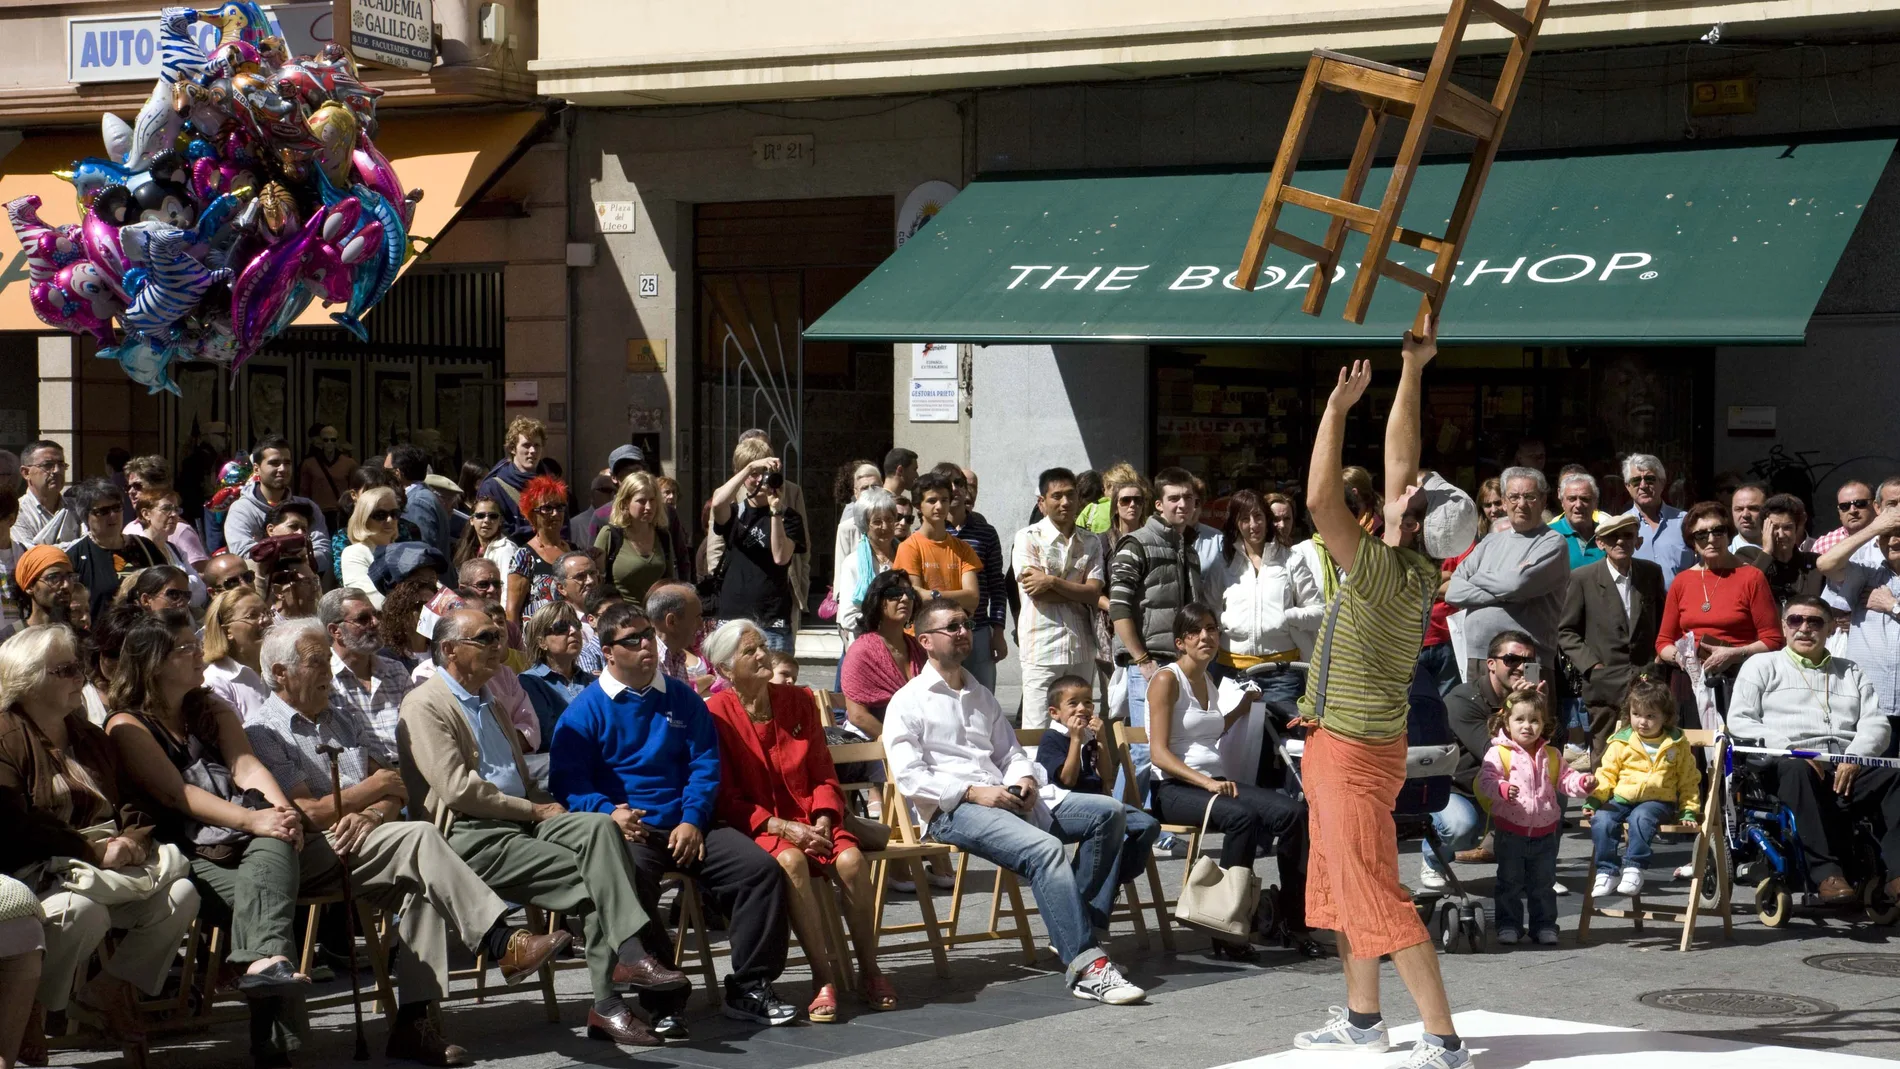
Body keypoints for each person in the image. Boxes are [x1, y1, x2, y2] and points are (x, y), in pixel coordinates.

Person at [242, 617, 567, 1065]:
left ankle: (415, 1024)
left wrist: (374, 812)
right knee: (421, 836)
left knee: (423, 885)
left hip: (371, 841)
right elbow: (310, 812)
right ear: (281, 673)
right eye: (317, 662)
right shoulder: (264, 731)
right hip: (311, 852)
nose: (327, 673)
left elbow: (396, 786)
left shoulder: (340, 715)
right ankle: (499, 940)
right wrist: (371, 792)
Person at [1290, 325, 1474, 1068]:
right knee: (1342, 884)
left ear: (1410, 521)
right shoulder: (1414, 560)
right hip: (1354, 745)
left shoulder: (1375, 567)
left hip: (1352, 754)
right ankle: (1364, 1020)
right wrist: (1410, 368)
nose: (1406, 486)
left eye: (1413, 496)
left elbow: (1316, 496)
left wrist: (1335, 410)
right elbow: (1403, 458)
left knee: (1379, 895)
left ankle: (1444, 1040)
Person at [399, 607, 688, 1049]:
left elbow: (520, 777)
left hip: (521, 817)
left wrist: (550, 807)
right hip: (471, 833)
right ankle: (609, 1003)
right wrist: (535, 812)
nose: (499, 646)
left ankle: (628, 961)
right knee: (603, 880)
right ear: (450, 650)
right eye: (486, 638)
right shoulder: (426, 703)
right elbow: (458, 790)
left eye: (499, 636)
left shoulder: (491, 701)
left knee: (600, 829)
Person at [884, 597, 1145, 1005]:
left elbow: (1011, 754)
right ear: (925, 641)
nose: (963, 632)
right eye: (952, 626)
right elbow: (909, 776)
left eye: (966, 624)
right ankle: (1086, 965)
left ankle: (1077, 933)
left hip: (1006, 798)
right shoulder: (908, 701)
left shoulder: (981, 695)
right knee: (1046, 849)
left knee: (1109, 813)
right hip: (954, 810)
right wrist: (972, 792)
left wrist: (1024, 781)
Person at [549, 603, 794, 1030]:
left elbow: (705, 765)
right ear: (608, 652)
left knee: (759, 870)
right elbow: (568, 785)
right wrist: (609, 813)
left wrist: (694, 819)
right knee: (627, 883)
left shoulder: (681, 697)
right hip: (630, 832)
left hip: (688, 825)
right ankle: (664, 999)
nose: (646, 644)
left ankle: (750, 987)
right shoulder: (584, 711)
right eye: (632, 639)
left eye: (647, 634)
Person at [104, 611, 317, 1067]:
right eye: (185, 648)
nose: (199, 652)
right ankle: (276, 1048)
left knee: (268, 872)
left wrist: (280, 813)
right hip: (187, 848)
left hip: (245, 833)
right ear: (154, 662)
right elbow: (177, 794)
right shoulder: (126, 724)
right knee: (261, 901)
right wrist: (256, 820)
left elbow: (247, 766)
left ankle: (263, 977)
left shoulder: (209, 706)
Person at [0, 625, 201, 1061]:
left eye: (82, 667)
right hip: (40, 869)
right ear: (29, 678)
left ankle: (107, 990)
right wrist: (92, 851)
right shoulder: (4, 735)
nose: (82, 678)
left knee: (182, 893)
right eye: (68, 669)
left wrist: (132, 839)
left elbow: (129, 802)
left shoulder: (88, 735)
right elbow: (14, 824)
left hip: (109, 864)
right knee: (82, 912)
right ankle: (31, 1006)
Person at [702, 619, 894, 1020]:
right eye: (749, 651)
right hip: (760, 824)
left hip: (811, 812)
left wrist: (825, 814)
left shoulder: (798, 699)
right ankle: (822, 976)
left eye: (762, 647)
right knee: (789, 862)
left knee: (852, 860)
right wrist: (779, 826)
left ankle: (870, 970)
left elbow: (822, 770)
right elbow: (725, 796)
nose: (762, 655)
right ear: (723, 669)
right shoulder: (716, 714)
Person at [1146, 605, 1308, 959]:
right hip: (1174, 790)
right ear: (1180, 643)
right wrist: (1205, 783)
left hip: (1215, 785)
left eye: (1211, 629)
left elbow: (1212, 730)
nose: (1206, 636)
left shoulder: (1208, 681)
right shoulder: (1166, 680)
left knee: (1294, 812)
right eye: (1195, 632)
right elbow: (1158, 754)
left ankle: (1296, 920)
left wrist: (1244, 707)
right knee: (1241, 817)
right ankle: (1225, 925)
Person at [1728, 596, 1898, 905]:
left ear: (1831, 628)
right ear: (1784, 626)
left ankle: (1897, 875)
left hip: (1846, 765)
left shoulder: (1851, 671)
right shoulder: (1762, 665)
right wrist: (1791, 749)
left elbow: (1877, 724)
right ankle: (1827, 875)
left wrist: (1854, 756)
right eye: (1796, 620)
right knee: (1797, 769)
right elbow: (1740, 720)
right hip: (1788, 765)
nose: (1804, 628)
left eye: (1815, 622)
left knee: (1896, 773)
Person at [1107, 466, 1205, 810]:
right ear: (1159, 505)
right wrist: (1141, 660)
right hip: (1149, 663)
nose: (1182, 505)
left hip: (1179, 663)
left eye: (1188, 498)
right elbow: (1118, 608)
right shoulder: (1136, 544)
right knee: (1143, 746)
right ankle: (1124, 819)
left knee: (1165, 745)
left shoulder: (1187, 547)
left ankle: (1141, 819)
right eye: (1174, 498)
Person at [1477, 688, 1594, 945]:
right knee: (1509, 883)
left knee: (1544, 884)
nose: (1527, 726)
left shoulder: (1551, 755)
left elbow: (1565, 779)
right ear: (1506, 722)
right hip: (1510, 831)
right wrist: (1502, 789)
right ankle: (1508, 925)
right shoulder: (1499, 753)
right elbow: (1486, 780)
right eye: (1520, 719)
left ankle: (1544, 925)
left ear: (1544, 724)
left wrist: (1583, 783)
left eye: (1534, 720)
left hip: (1545, 832)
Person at [1031, 673, 1160, 890]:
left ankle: (1112, 878)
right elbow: (1067, 781)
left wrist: (1101, 739)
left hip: (1101, 803)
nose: (1082, 708)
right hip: (1067, 807)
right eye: (1073, 703)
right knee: (1108, 834)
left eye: (1088, 702)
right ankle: (1085, 890)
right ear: (1054, 713)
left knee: (1148, 825)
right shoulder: (1052, 739)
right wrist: (1075, 739)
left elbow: (1107, 777)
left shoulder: (1090, 737)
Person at [1655, 501, 1784, 716]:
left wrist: (1734, 653)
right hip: (1689, 683)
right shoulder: (1682, 581)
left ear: (1728, 533)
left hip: (1738, 680)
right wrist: (1680, 657)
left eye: (1718, 531)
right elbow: (1663, 641)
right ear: (1692, 542)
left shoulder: (1751, 577)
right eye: (1701, 535)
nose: (1711, 539)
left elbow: (1773, 640)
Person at [1557, 513, 1666, 760]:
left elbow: (1662, 621)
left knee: (1649, 752)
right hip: (1603, 683)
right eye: (1612, 537)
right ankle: (1602, 800)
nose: (1620, 542)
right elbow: (1566, 631)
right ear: (1600, 543)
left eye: (1627, 535)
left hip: (1647, 679)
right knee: (1605, 754)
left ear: (1637, 540)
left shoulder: (1650, 573)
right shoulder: (1582, 578)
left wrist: (1658, 659)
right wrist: (1592, 666)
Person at [1447, 465, 1569, 680]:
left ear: (1543, 501)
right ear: (1504, 502)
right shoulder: (1489, 541)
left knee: (1530, 713)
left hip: (1529, 660)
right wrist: (1506, 592)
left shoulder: (1553, 543)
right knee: (1484, 714)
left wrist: (1477, 578)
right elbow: (1453, 591)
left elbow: (1517, 584)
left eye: (1529, 497)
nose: (1521, 504)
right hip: (1479, 657)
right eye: (1514, 497)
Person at [1584, 678, 1702, 898]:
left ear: (1665, 717)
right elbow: (1606, 773)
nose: (1642, 722)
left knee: (1641, 816)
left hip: (1658, 801)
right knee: (1602, 819)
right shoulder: (1622, 741)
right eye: (1637, 714)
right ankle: (1607, 870)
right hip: (1622, 798)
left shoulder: (1676, 743)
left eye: (1650, 716)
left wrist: (1689, 809)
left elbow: (1688, 780)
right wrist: (1595, 799)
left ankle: (1634, 867)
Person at [1013, 468, 1106, 729]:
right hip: (1041, 647)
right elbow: (1038, 593)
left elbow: (1094, 593)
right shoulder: (1027, 538)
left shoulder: (1091, 542)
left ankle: (1079, 771)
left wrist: (1052, 580)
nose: (1065, 502)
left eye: (1070, 495)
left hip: (1081, 647)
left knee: (1080, 723)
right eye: (1057, 496)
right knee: (1038, 727)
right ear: (1042, 502)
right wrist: (1078, 588)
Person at [1216, 488, 1322, 714]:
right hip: (1232, 672)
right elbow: (1210, 610)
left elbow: (1320, 612)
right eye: (1245, 518)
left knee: (1284, 743)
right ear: (1235, 523)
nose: (1253, 525)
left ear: (1267, 519)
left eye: (1258, 517)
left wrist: (1288, 617)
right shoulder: (1223, 564)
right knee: (1234, 746)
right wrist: (1223, 624)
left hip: (1281, 674)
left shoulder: (1291, 559)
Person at [708, 451, 804, 652]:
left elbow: (780, 557)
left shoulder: (789, 517)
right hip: (731, 619)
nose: (761, 479)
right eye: (755, 474)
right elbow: (717, 502)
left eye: (766, 473)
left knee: (774, 680)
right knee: (727, 682)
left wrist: (775, 511)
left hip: (772, 621)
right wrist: (749, 468)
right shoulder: (734, 512)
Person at [1818, 494, 1900, 723]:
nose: (1893, 541)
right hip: (1871, 703)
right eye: (1886, 536)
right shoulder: (1866, 573)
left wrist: (1892, 606)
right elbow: (1825, 564)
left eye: (1899, 534)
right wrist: (1875, 527)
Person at [930, 464, 1008, 692]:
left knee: (983, 699)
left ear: (966, 490)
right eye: (947, 485)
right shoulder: (928, 534)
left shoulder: (986, 532)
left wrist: (998, 632)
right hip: (940, 631)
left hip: (979, 629)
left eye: (959, 484)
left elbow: (997, 585)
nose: (954, 490)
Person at [316, 587, 413, 755]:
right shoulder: (324, 681)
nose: (375, 622)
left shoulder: (395, 670)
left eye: (375, 615)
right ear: (335, 631)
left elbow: (417, 728)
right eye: (363, 619)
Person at [222, 436, 331, 576]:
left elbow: (324, 552)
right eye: (274, 463)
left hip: (304, 587)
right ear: (256, 468)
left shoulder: (308, 506)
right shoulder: (242, 509)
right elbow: (243, 553)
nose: (283, 469)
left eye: (287, 462)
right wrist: (294, 556)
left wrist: (301, 560)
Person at [65, 479, 165, 624]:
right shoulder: (75, 558)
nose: (113, 515)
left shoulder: (145, 547)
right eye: (103, 512)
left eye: (117, 508)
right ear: (86, 516)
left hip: (147, 637)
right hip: (103, 641)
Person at [839, 571, 923, 742]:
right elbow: (858, 716)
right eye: (894, 594)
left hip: (918, 737)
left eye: (910, 594)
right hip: (874, 740)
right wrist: (901, 742)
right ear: (877, 601)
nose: (905, 599)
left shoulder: (919, 648)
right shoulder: (861, 651)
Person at [518, 602, 595, 754]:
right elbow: (549, 735)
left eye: (576, 624)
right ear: (542, 642)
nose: (573, 631)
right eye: (561, 628)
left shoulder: (592, 681)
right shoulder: (529, 682)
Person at [503, 475, 576, 626]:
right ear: (532, 514)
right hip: (538, 641)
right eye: (547, 508)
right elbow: (512, 611)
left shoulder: (573, 550)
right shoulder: (524, 556)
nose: (555, 514)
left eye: (559, 507)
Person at [833, 488, 901, 647]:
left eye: (890, 520)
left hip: (903, 646)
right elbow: (848, 618)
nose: (885, 527)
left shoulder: (907, 555)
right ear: (865, 525)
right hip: (867, 648)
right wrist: (888, 621)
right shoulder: (853, 563)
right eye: (877, 521)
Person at [596, 472, 673, 606]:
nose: (648, 507)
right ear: (625, 502)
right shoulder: (610, 535)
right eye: (641, 501)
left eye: (652, 500)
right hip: (621, 619)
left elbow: (670, 581)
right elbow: (595, 584)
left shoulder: (663, 535)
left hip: (655, 619)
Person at [201, 587, 274, 722]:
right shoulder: (215, 682)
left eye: (267, 612)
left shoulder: (279, 664)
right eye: (252, 615)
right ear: (227, 631)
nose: (265, 620)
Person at [1621, 454, 1692, 587]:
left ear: (1662, 483)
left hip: (1682, 605)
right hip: (1639, 606)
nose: (1643, 485)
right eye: (1636, 480)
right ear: (1627, 486)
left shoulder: (1686, 521)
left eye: (1650, 479)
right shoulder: (1621, 526)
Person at [128, 492, 208, 606]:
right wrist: (187, 585)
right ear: (146, 514)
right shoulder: (138, 550)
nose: (174, 514)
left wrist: (176, 589)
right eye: (166, 509)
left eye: (176, 509)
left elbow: (201, 591)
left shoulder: (175, 549)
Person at [477, 417, 546, 539]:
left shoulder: (551, 487)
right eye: (526, 445)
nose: (533, 451)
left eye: (537, 445)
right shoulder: (493, 487)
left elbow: (563, 529)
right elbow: (492, 529)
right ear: (512, 449)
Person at [1751, 494, 1824, 608]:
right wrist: (1767, 551)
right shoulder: (1748, 556)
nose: (1781, 534)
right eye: (1774, 527)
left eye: (1787, 528)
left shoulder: (1814, 563)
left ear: (1797, 529)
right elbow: (1747, 587)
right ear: (1763, 530)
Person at [341, 487, 405, 609]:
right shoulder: (354, 553)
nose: (390, 520)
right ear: (364, 519)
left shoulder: (403, 550)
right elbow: (372, 600)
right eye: (380, 515)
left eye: (394, 513)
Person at [648, 582, 714, 694]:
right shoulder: (649, 664)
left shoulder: (676, 657)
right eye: (697, 617)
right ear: (672, 622)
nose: (701, 625)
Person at [13, 442, 77, 550]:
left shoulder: (77, 507)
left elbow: (94, 542)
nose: (57, 471)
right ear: (26, 473)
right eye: (48, 465)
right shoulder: (16, 511)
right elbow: (31, 553)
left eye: (61, 465)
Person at [297, 424, 357, 531]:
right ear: (320, 441)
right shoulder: (309, 464)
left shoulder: (349, 463)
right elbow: (304, 492)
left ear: (337, 441)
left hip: (340, 513)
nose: (329, 443)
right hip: (318, 512)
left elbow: (354, 490)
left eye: (333, 440)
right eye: (326, 440)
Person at [829, 459, 884, 574]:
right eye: (864, 488)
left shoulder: (893, 522)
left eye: (874, 486)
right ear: (856, 492)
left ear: (882, 488)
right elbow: (841, 571)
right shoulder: (847, 528)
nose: (870, 491)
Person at [452, 491, 522, 578]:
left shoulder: (506, 550)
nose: (486, 520)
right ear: (471, 520)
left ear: (500, 521)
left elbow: (508, 589)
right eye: (480, 515)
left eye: (493, 516)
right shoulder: (468, 548)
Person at [1549, 472, 1604, 569]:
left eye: (1585, 499)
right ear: (1562, 502)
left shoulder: (1607, 534)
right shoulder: (1548, 535)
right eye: (1572, 499)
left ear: (1595, 502)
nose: (1578, 505)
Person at [13, 546, 76, 630]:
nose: (66, 585)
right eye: (54, 578)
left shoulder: (81, 638)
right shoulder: (11, 638)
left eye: (70, 576)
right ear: (30, 586)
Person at [1813, 479, 1877, 556]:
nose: (1852, 510)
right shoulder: (1823, 544)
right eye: (1844, 506)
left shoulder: (1889, 537)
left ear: (1876, 506)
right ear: (1839, 512)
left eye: (1860, 503)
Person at [123, 565, 191, 616]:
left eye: (187, 595)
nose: (183, 603)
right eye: (174, 594)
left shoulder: (181, 629)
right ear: (146, 600)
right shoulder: (134, 633)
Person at [1729, 483, 1769, 558]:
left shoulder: (1785, 552)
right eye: (1739, 509)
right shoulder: (1723, 560)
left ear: (1767, 512)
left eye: (1753, 508)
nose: (1745, 515)